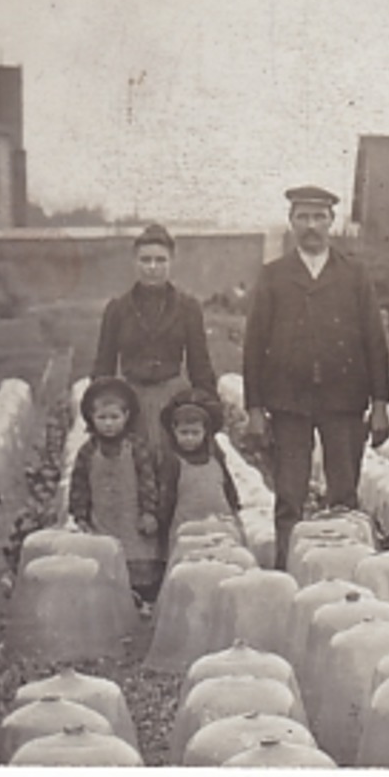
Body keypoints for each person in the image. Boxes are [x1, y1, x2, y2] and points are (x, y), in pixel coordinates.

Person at [242, 185, 389, 569]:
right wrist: (255, 408)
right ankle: (289, 568)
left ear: (332, 222)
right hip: (288, 401)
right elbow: (255, 343)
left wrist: (380, 404)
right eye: (303, 217)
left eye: (319, 217)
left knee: (343, 491)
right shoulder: (274, 275)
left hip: (344, 399)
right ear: (291, 222)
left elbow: (375, 340)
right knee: (289, 493)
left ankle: (343, 567)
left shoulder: (354, 274)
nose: (311, 226)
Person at [92, 223, 218, 479]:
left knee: (178, 469)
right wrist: (99, 413)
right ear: (134, 262)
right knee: (133, 471)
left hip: (172, 397)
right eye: (145, 260)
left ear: (171, 262)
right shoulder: (117, 309)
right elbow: (103, 367)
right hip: (132, 399)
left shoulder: (188, 307)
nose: (152, 267)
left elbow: (199, 364)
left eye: (160, 260)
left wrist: (209, 411)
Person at [67, 377, 162, 600]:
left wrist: (149, 512)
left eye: (114, 417)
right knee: (104, 559)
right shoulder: (88, 451)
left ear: (126, 417)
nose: (108, 424)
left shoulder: (136, 447)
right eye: (102, 418)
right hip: (102, 517)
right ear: (91, 417)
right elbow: (79, 484)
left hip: (133, 519)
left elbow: (148, 480)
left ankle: (143, 598)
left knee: (137, 560)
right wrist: (79, 515)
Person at [156, 387, 244, 542]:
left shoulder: (215, 458)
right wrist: (163, 522)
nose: (189, 438)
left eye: (195, 433)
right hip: (184, 526)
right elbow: (166, 496)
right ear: (174, 431)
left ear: (205, 432)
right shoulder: (174, 462)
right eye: (184, 433)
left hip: (219, 520)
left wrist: (234, 506)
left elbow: (227, 485)